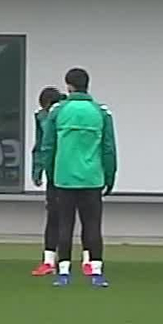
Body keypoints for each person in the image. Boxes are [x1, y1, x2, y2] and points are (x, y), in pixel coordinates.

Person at [37, 67, 117, 288]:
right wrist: (110, 176)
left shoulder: (58, 111)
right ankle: (97, 270)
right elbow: (108, 148)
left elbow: (48, 145)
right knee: (92, 225)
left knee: (65, 224)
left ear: (68, 86)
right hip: (92, 178)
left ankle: (63, 272)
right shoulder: (100, 112)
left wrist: (50, 173)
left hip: (64, 178)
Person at [32, 86, 92, 278]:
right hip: (54, 173)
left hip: (72, 172)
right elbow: (40, 144)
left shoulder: (66, 113)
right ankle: (49, 260)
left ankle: (88, 260)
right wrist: (38, 169)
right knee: (54, 216)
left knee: (84, 218)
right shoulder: (41, 117)